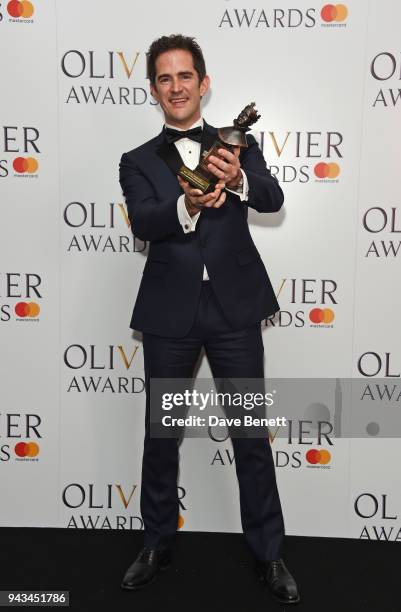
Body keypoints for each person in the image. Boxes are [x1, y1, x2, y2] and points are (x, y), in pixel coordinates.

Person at [119, 34, 300, 605]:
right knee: (161, 434)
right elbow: (145, 222)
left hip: (234, 309)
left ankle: (269, 555)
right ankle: (155, 542)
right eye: (165, 78)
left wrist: (239, 179)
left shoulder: (237, 144)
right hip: (171, 313)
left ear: (204, 82)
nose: (176, 86)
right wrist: (186, 205)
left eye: (185, 76)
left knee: (250, 434)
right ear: (154, 89)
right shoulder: (138, 160)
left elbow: (271, 199)